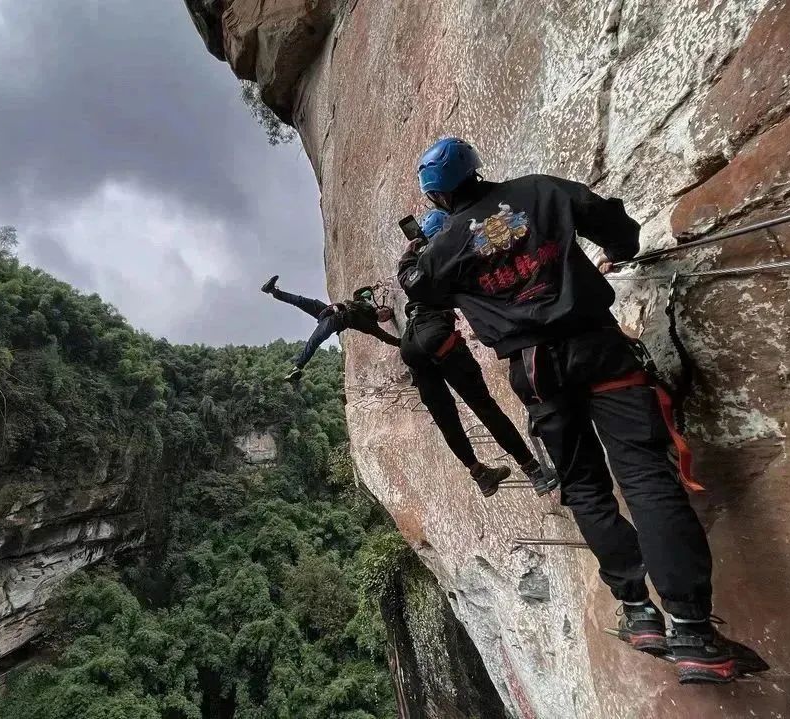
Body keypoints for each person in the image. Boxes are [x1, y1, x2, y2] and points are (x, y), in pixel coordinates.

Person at [398, 137, 764, 684]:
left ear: (437, 196)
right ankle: (692, 631)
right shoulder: (540, 191)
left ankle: (638, 612)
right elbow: (619, 229)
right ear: (476, 167)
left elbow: (417, 285)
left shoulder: (445, 246)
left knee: (584, 486)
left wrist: (419, 247)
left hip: (535, 371)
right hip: (597, 347)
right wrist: (615, 248)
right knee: (645, 476)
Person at [400, 209, 553, 498]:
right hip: (440, 337)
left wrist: (408, 254)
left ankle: (480, 474)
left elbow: (406, 277)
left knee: (446, 419)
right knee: (484, 407)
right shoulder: (453, 254)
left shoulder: (418, 264)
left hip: (411, 345)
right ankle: (534, 471)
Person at [262, 277, 398, 381]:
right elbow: (357, 293)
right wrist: (372, 288)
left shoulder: (371, 325)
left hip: (334, 322)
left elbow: (386, 337)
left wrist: (400, 342)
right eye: (386, 311)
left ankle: (297, 368)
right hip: (328, 310)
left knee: (313, 341)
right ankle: (273, 291)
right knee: (300, 301)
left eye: (387, 317)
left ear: (382, 321)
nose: (385, 315)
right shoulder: (364, 304)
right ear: (382, 307)